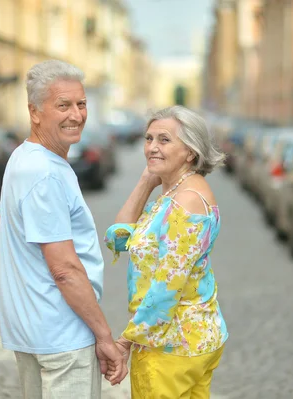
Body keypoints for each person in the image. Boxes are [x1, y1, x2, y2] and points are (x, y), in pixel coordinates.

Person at [0, 59, 127, 399]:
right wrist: (104, 336)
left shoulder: (23, 158)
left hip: (33, 331)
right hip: (63, 338)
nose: (77, 115)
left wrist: (31, 288)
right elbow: (64, 268)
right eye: (63, 105)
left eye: (81, 104)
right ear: (35, 112)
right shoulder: (45, 172)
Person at [105, 105, 229, 398]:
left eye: (164, 140)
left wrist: (126, 341)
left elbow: (167, 286)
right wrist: (146, 182)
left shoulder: (186, 202)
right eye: (148, 139)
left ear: (190, 151)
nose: (152, 148)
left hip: (171, 345)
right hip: (188, 340)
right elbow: (119, 237)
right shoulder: (173, 193)